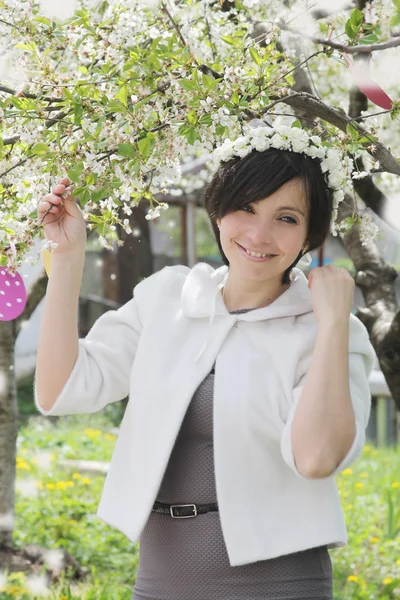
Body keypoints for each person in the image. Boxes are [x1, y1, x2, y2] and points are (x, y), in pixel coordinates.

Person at [34, 125, 376, 600]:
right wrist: (68, 258)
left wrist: (334, 324)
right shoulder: (168, 297)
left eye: (286, 218)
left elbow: (317, 459)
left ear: (311, 235)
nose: (259, 234)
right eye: (246, 208)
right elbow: (60, 390)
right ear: (218, 212)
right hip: (160, 579)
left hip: (280, 585)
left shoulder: (326, 331)